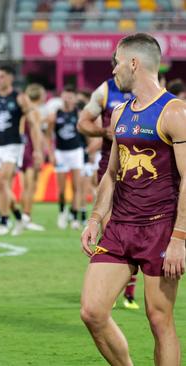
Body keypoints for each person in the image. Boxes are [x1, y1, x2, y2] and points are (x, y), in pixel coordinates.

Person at [81, 33, 186, 365]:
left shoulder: (175, 112)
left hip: (160, 229)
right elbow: (111, 175)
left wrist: (180, 239)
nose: (113, 70)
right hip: (120, 228)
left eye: (116, 62)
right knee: (92, 312)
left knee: (159, 320)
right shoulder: (119, 113)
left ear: (134, 63)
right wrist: (96, 219)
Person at [77, 67, 138, 309]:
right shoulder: (105, 90)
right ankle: (116, 290)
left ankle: (129, 292)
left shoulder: (152, 92)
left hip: (142, 171)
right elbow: (83, 122)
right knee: (111, 226)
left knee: (137, 226)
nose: (115, 68)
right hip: (111, 164)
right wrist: (103, 131)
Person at [0, 65, 43, 236]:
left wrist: (37, 150)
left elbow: (33, 126)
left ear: (10, 79)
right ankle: (18, 217)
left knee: (4, 181)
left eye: (2, 77)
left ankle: (4, 222)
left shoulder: (20, 98)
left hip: (14, 146)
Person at [47, 85, 84, 230]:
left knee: (77, 186)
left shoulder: (79, 113)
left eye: (70, 96)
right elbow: (48, 135)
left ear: (75, 99)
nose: (68, 99)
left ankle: (74, 216)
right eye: (65, 96)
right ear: (61, 97)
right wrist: (50, 153)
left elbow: (86, 134)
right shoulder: (55, 115)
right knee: (61, 189)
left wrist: (90, 151)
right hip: (61, 153)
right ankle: (62, 212)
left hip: (76, 152)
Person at [19, 83, 46, 231]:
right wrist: (39, 151)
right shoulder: (35, 111)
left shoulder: (24, 110)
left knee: (25, 186)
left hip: (22, 148)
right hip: (30, 149)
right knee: (30, 186)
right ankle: (27, 217)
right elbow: (36, 133)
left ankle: (24, 217)